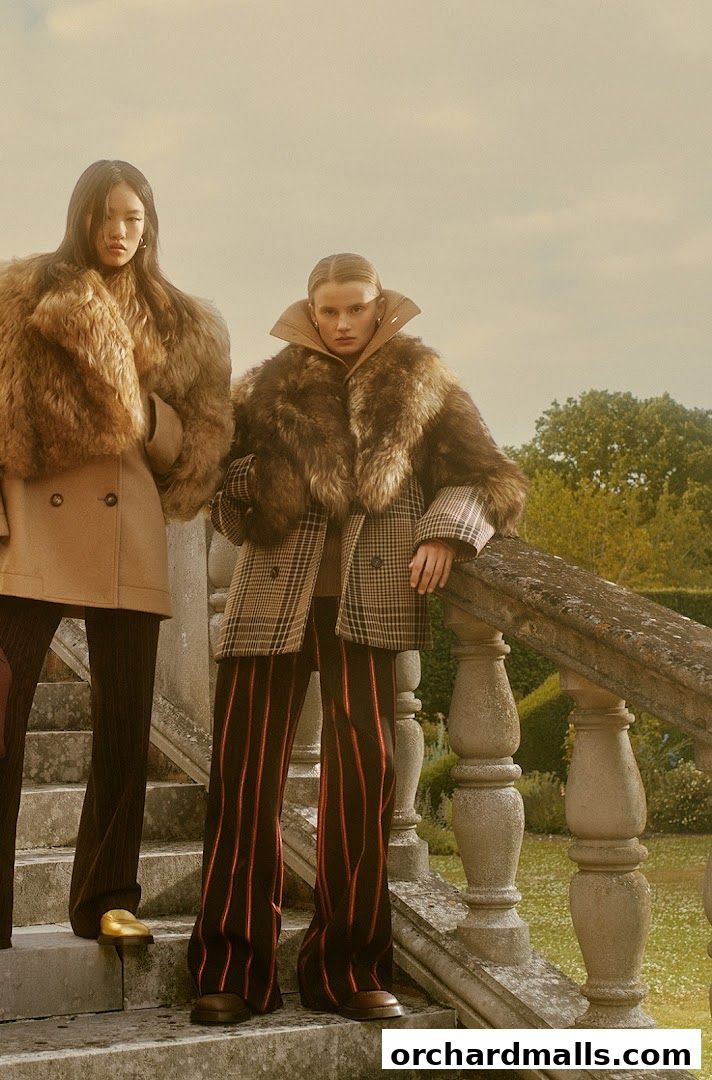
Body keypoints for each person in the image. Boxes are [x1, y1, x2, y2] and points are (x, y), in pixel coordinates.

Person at [0, 159, 232, 958]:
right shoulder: (10, 296)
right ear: (79, 217)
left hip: (129, 531)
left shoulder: (185, 321)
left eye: (134, 218)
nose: (119, 232)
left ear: (151, 222)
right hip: (29, 529)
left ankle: (109, 899)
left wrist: (142, 411)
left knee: (124, 731)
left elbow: (200, 452)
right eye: (105, 217)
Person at [188, 253, 527, 1023]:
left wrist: (446, 533)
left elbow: (490, 476)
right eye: (329, 310)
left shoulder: (423, 382)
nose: (342, 324)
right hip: (272, 594)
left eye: (357, 309)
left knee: (363, 785)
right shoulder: (268, 384)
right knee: (242, 780)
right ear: (310, 309)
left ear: (381, 307)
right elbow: (221, 485)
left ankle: (347, 970)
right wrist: (262, 489)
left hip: (371, 601)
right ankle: (231, 971)